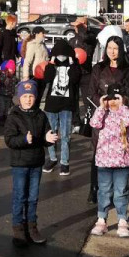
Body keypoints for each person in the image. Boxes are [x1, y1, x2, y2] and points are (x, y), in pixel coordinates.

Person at [88, 35, 129, 203]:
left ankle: (117, 190)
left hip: (119, 117)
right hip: (102, 114)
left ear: (121, 49)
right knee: (98, 150)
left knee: (119, 151)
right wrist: (103, 102)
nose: (112, 51)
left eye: (116, 48)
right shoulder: (98, 68)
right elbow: (91, 92)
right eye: (109, 48)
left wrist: (118, 102)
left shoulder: (128, 69)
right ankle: (95, 188)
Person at [4, 80, 58, 246]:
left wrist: (49, 140)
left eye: (31, 96)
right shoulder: (14, 116)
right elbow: (9, 140)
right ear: (19, 98)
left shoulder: (40, 115)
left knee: (33, 197)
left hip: (36, 163)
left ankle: (32, 227)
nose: (28, 99)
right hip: (20, 164)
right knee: (20, 196)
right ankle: (18, 229)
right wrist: (23, 139)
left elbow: (46, 136)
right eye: (25, 96)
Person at [90, 86, 129, 237]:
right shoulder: (103, 113)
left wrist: (122, 106)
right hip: (104, 161)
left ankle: (122, 220)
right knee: (104, 191)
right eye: (110, 99)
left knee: (121, 191)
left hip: (122, 161)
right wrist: (101, 107)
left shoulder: (125, 114)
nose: (113, 102)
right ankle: (101, 220)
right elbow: (94, 123)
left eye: (116, 98)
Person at [41, 38, 81, 175]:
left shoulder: (74, 66)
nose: (61, 56)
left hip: (67, 105)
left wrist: (71, 62)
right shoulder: (51, 65)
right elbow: (47, 78)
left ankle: (65, 162)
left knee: (65, 135)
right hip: (52, 104)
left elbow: (75, 79)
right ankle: (52, 158)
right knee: (51, 133)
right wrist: (51, 62)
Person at [0, 60, 18, 126]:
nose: (13, 71)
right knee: (2, 108)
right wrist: (0, 72)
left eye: (14, 69)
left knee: (7, 108)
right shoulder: (3, 75)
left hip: (9, 96)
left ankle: (5, 119)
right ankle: (0, 120)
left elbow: (17, 82)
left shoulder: (14, 77)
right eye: (11, 69)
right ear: (7, 69)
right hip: (2, 95)